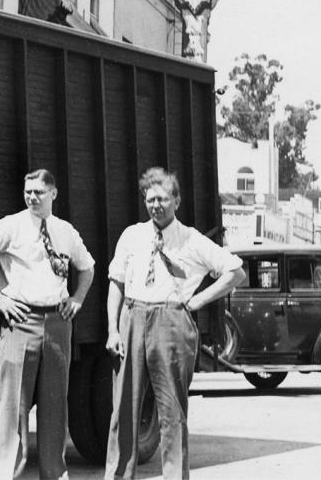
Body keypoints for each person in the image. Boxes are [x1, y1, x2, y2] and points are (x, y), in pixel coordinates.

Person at [104, 167, 246, 480]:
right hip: (132, 317)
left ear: (177, 201)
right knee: (123, 409)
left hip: (170, 322)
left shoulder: (191, 240)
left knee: (171, 412)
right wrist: (113, 329)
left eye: (163, 199)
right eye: (150, 199)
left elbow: (236, 272)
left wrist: (196, 302)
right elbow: (116, 282)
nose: (156, 205)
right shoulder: (132, 235)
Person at [0, 169, 95, 480]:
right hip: (21, 322)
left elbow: (87, 268)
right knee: (13, 407)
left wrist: (77, 299)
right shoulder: (11, 225)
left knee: (54, 406)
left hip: (57, 323)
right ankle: (7, 475)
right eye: (28, 192)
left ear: (53, 194)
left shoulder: (65, 232)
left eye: (38, 192)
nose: (32, 197)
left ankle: (54, 473)